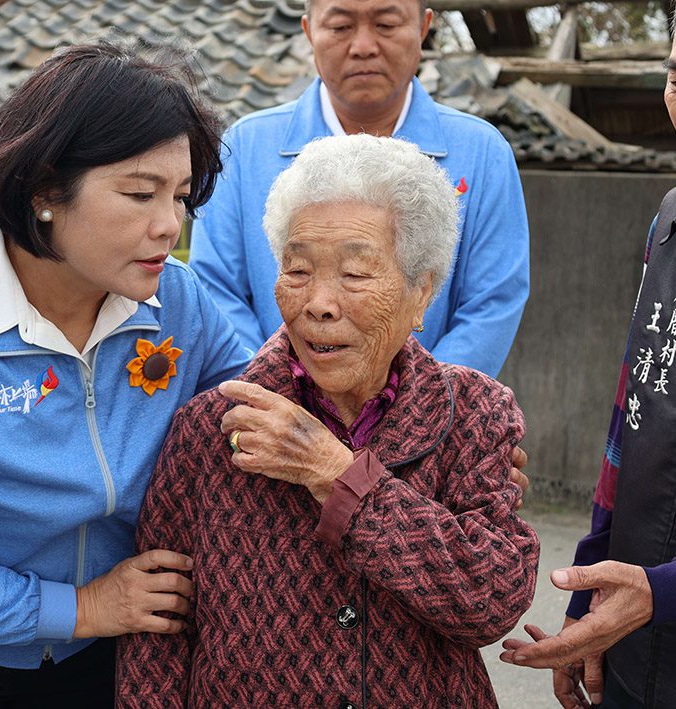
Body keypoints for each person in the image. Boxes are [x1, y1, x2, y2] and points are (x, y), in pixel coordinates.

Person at [0, 41, 249, 708]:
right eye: (140, 193)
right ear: (44, 190)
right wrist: (82, 607)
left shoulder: (178, 303)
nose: (168, 224)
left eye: (179, 195)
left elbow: (259, 406)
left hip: (111, 653)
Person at [117, 135, 540, 707]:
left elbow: (491, 599)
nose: (318, 302)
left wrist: (336, 473)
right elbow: (158, 633)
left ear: (422, 294)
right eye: (297, 270)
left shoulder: (474, 413)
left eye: (356, 275)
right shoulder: (211, 427)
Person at [189, 0, 529, 377]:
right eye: (340, 27)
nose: (363, 45)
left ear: (423, 28)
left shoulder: (482, 152)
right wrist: (276, 397)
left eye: (385, 24)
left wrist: (420, 412)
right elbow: (216, 291)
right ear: (308, 31)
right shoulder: (245, 147)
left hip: (429, 425)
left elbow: (491, 304)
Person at [497, 32, 676, 709]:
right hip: (631, 642)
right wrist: (587, 602)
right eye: (675, 75)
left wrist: (655, 592)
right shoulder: (666, 221)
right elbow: (627, 420)